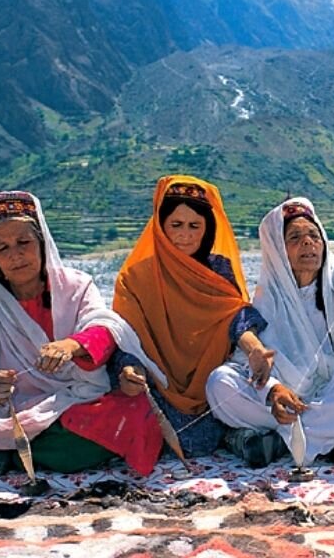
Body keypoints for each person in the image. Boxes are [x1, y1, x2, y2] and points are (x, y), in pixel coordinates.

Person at [0, 191, 164, 476]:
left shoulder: (76, 287)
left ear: (42, 244)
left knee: (130, 410)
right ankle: (16, 449)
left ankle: (1, 454)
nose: (15, 255)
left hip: (71, 402)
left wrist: (71, 345)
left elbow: (103, 327)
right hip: (6, 411)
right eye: (2, 249)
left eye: (23, 243)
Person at [206, 198, 334, 467]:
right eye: (295, 237)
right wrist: (273, 391)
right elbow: (249, 363)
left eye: (313, 235)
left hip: (331, 387)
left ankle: (283, 440)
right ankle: (331, 435)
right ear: (278, 250)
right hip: (284, 401)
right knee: (219, 383)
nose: (308, 243)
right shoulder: (267, 298)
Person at [112, 176, 273, 457]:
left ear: (207, 229)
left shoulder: (218, 270)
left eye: (194, 226)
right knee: (180, 436)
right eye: (176, 225)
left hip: (209, 378)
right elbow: (125, 335)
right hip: (158, 381)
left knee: (223, 404)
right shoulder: (135, 278)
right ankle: (238, 438)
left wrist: (254, 348)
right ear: (161, 226)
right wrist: (129, 369)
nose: (185, 234)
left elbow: (235, 315)